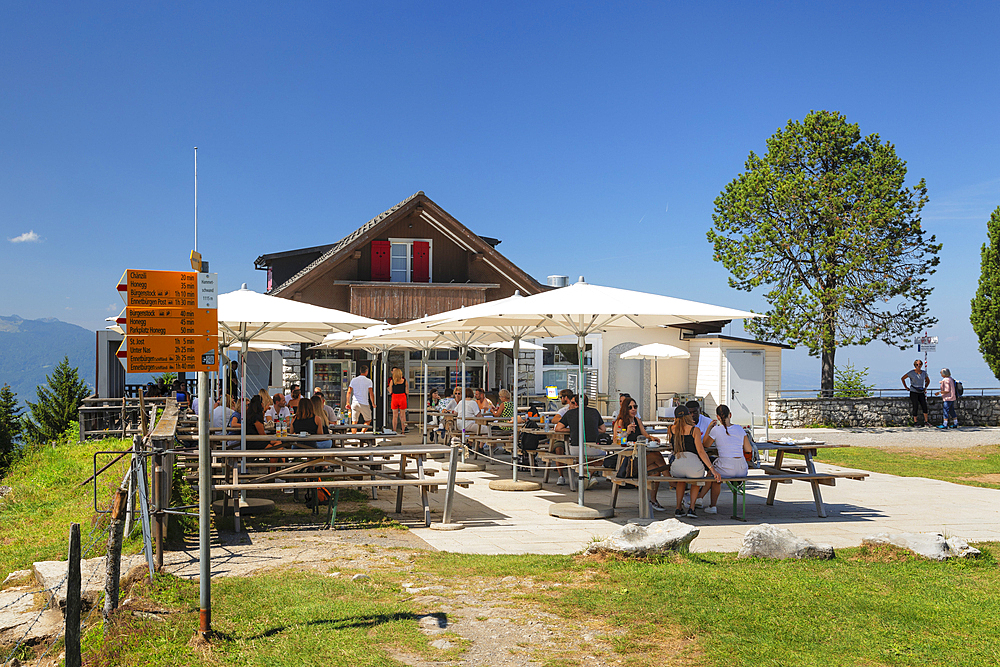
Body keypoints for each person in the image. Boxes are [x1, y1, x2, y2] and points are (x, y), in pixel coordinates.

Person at [613, 397, 668, 510]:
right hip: (629, 461)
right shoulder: (620, 422)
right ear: (625, 409)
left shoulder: (637, 420)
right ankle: (672, 481)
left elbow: (645, 435)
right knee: (657, 456)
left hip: (641, 457)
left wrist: (652, 438)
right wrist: (626, 432)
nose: (633, 409)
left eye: (635, 407)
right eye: (630, 407)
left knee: (656, 471)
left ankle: (652, 500)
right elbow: (616, 442)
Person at [669, 404, 720, 518]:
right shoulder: (694, 430)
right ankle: (691, 508)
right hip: (693, 464)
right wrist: (712, 469)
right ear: (688, 415)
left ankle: (678, 508)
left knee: (681, 481)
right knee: (696, 481)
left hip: (677, 465)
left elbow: (672, 446)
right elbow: (701, 451)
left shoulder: (671, 429)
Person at [701, 404, 752, 514]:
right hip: (742, 468)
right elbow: (748, 449)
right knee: (716, 471)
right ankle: (701, 499)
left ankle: (709, 503)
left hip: (726, 467)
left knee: (713, 473)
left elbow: (705, 445)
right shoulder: (739, 428)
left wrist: (709, 427)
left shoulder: (716, 430)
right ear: (730, 415)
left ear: (718, 417)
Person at [344, 365, 376, 432]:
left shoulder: (354, 380)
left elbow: (349, 391)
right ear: (366, 372)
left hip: (355, 402)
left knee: (354, 421)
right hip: (364, 403)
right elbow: (371, 393)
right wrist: (373, 403)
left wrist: (347, 402)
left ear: (360, 371)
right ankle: (362, 432)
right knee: (368, 420)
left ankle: (354, 436)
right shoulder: (369, 381)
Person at [901, 359, 931, 426]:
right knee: (915, 406)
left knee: (924, 406)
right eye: (917, 364)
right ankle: (915, 422)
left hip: (921, 391)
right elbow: (903, 378)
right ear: (915, 365)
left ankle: (926, 421)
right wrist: (906, 387)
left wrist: (925, 387)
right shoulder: (911, 373)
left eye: (920, 364)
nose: (918, 366)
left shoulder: (924, 373)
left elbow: (928, 380)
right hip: (913, 391)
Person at [388, 367, 408, 434]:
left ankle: (394, 430)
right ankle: (403, 431)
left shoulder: (392, 381)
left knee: (395, 416)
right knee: (403, 415)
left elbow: (390, 391)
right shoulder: (404, 381)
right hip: (402, 397)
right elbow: (407, 392)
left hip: (394, 397)